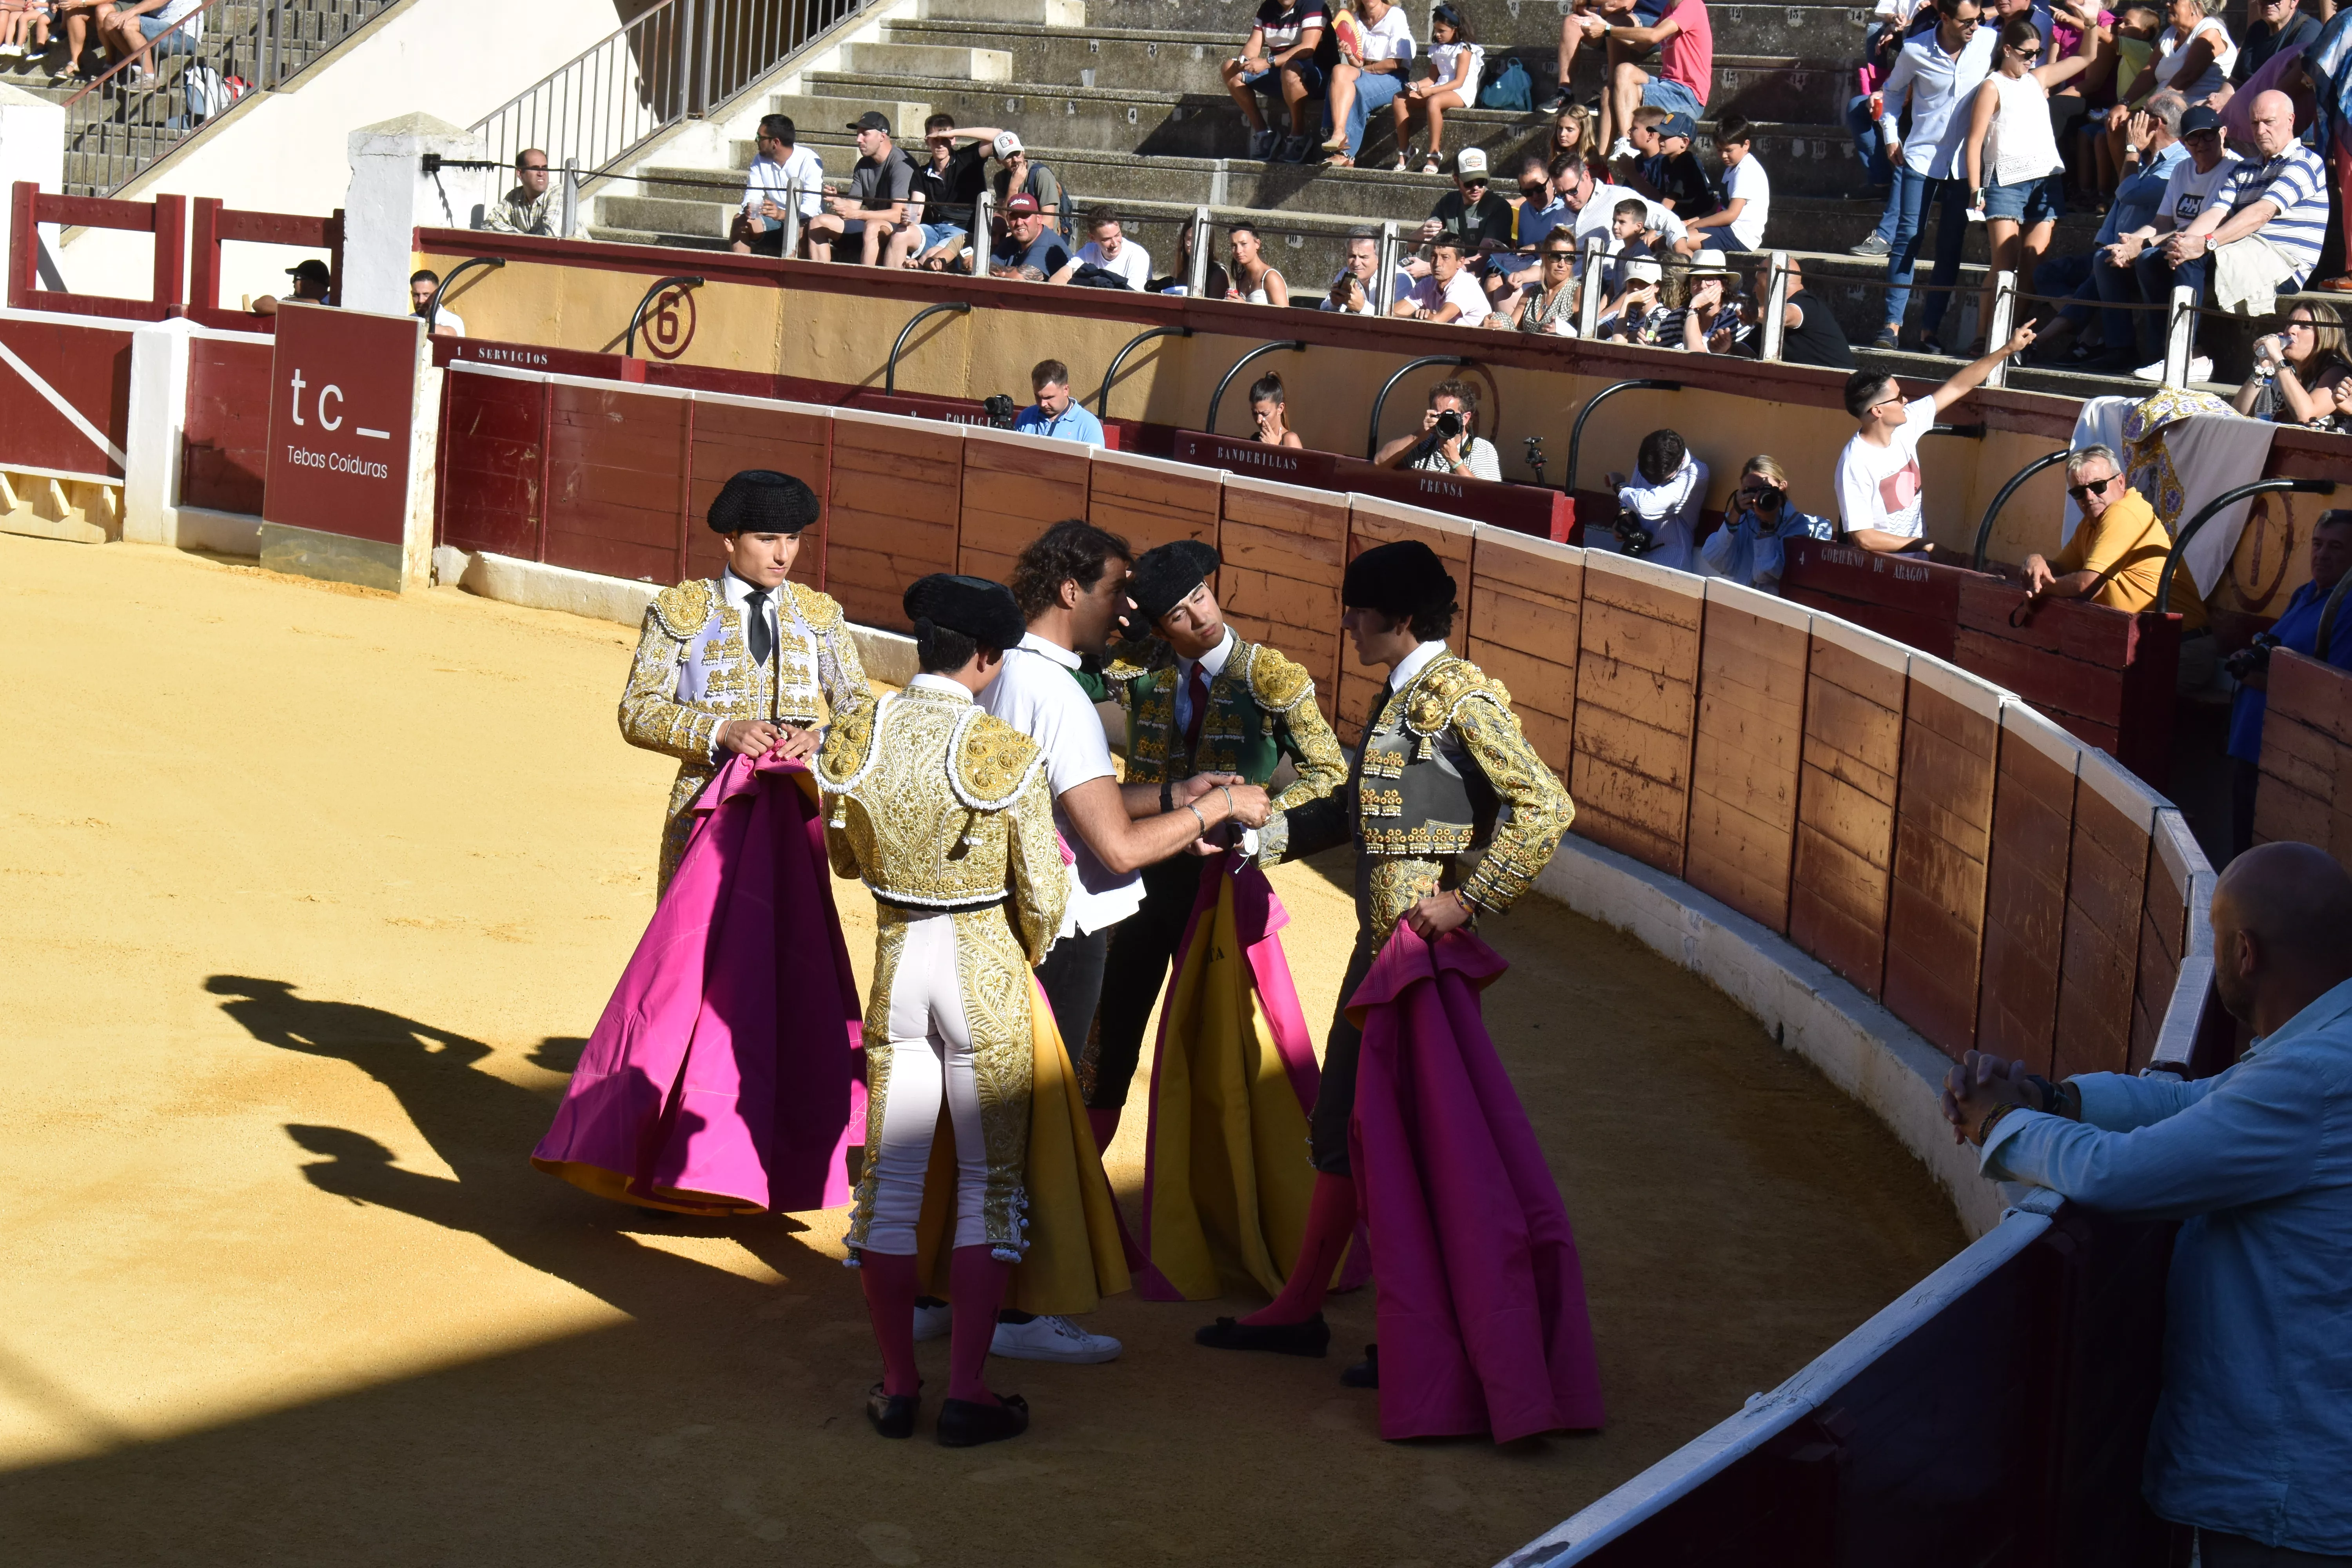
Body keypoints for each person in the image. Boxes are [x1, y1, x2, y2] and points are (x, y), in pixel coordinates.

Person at [1193, 541, 1601, 1443]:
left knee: (1410, 1150)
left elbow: (1545, 806)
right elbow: (1364, 811)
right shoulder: (1408, 698)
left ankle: (1416, 1327)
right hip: (1380, 958)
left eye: (1357, 609)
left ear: (1398, 618)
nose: (1346, 622)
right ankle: (1313, 1307)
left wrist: (1465, 901)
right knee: (1351, 1127)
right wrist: (1263, 844)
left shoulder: (1456, 697)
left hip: (1418, 967)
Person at [1939, 839, 2352, 1561]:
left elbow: (2119, 1176)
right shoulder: (2326, 1050)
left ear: (2244, 954)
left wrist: (1998, 1122)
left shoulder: (2314, 1076)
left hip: (2292, 1493)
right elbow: (2197, 1101)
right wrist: (2054, 1098)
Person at [820, 575, 1066, 1448]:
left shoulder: (855, 735)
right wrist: (1024, 955)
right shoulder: (1003, 749)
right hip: (982, 973)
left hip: (896, 964)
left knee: (890, 1186)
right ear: (989, 657)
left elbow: (847, 857)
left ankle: (896, 1385)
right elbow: (1043, 890)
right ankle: (968, 1391)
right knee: (986, 1187)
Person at [1085, 542, 1346, 1149]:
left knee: (1221, 1049)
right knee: (1105, 1041)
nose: (1200, 617)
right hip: (1138, 878)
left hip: (1225, 884)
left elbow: (1331, 776)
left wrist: (1256, 830)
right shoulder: (1136, 664)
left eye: (1200, 597)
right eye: (1178, 613)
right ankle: (1080, 1194)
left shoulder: (1271, 678)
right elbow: (1052, 665)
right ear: (1157, 626)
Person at [614, 469, 871, 892]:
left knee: (786, 945)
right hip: (704, 807)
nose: (783, 555)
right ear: (731, 539)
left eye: (793, 538)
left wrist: (819, 740)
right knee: (698, 942)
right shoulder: (682, 611)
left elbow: (861, 710)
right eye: (767, 539)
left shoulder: (819, 616)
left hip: (792, 810)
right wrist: (722, 731)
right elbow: (637, 710)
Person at [2134, 88, 2330, 381]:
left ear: (2291, 120)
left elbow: (2261, 213)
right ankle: (2163, 356)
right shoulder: (2247, 168)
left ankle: (2186, 357)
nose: (2261, 130)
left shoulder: (2304, 162)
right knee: (2153, 260)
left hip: (2282, 261)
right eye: (2254, 124)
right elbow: (2216, 213)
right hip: (2244, 250)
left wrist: (2205, 244)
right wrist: (2182, 243)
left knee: (2193, 259)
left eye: (2269, 122)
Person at [1869, 0, 1998, 352]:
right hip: (1922, 155)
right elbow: (1893, 92)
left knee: (1950, 246)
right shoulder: (1915, 49)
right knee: (1908, 236)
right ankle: (1891, 326)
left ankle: (1930, 332)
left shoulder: (1988, 42)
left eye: (1979, 19)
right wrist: (1891, 136)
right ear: (1945, 18)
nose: (1975, 27)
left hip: (1965, 163)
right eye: (1968, 21)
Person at [1835, 326, 2036, 551]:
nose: (1905, 401)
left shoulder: (1906, 423)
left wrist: (2007, 350)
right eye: (1898, 397)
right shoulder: (1855, 463)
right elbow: (1865, 539)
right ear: (1877, 411)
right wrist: (1925, 546)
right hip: (1881, 576)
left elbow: (1959, 386)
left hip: (1918, 568)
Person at [2223, 510, 2352, 855]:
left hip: (2287, 755)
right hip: (2253, 742)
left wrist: (2253, 677)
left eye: (2337, 547)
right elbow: (2273, 648)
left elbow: (2329, 687)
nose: (2322, 555)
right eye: (2318, 544)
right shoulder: (2306, 593)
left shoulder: (2348, 607)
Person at [1961, 19, 2091, 351]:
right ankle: (1982, 336)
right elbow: (1974, 141)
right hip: (2005, 181)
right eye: (2027, 53)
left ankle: (2009, 338)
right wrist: (1976, 190)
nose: (2033, 59)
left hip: (2045, 180)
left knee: (2033, 266)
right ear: (2007, 50)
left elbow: (2087, 57)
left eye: (2038, 53)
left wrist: (2090, 22)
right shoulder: (1992, 86)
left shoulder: (2038, 79)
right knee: (2005, 262)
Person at [2031, 91, 2187, 367]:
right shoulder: (2148, 159)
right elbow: (2120, 206)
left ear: (2156, 123)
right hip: (2112, 249)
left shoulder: (2178, 164)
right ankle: (2091, 333)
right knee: (2047, 273)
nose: (2131, 118)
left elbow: (2129, 193)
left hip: (2144, 256)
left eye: (2141, 113)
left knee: (2103, 262)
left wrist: (2130, 150)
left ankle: (2059, 341)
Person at [2095, 101, 2236, 370]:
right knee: (2107, 257)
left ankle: (2168, 351)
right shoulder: (2183, 169)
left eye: (2209, 134)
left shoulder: (2232, 168)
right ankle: (2120, 349)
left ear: (2223, 133)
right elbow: (2162, 221)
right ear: (2184, 143)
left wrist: (2144, 245)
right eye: (2193, 138)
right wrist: (2130, 243)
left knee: (2150, 259)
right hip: (2171, 241)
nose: (2202, 143)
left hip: (2209, 246)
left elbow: (2205, 225)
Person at [2018, 444, 2208, 625]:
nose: (2090, 497)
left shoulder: (2123, 512)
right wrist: (2036, 561)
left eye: (2098, 486)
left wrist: (2042, 590)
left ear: (2120, 482)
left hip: (2180, 645)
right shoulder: (2090, 525)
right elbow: (2060, 569)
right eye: (2079, 492)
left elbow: (2088, 585)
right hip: (2143, 641)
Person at [1579, 0, 1711, 163]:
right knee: (1618, 78)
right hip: (1667, 85)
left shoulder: (1692, 4)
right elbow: (1642, 46)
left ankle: (1628, 140)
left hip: (1687, 96)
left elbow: (1654, 35)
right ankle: (1601, 164)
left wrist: (1607, 29)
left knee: (1623, 79)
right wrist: (1605, 27)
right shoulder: (1670, 9)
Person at [1697, 453, 1839, 590]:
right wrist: (1735, 513)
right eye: (1751, 490)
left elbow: (1765, 574)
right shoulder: (1742, 520)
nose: (1757, 496)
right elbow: (1713, 558)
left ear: (1782, 487)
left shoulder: (1802, 526)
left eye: (1764, 489)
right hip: (1741, 605)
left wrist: (1767, 525)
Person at [1222, 0, 1331, 165]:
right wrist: (1244, 60)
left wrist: (1267, 62)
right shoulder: (1268, 8)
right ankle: (1264, 134)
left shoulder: (1313, 5)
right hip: (1281, 75)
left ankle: (1298, 137)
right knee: (1229, 68)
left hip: (1317, 77)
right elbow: (1254, 44)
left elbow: (1308, 47)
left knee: (1290, 70)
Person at [808, 112, 914, 267]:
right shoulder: (863, 164)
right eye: (858, 135)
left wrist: (858, 214)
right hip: (869, 225)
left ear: (882, 136)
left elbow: (898, 214)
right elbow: (853, 206)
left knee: (872, 226)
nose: (859, 140)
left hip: (899, 230)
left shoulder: (901, 164)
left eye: (865, 134)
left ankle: (865, 285)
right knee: (818, 222)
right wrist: (837, 200)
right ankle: (820, 281)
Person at [1318, 0, 1416, 167]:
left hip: (1393, 76)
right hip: (1366, 70)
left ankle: (1345, 154)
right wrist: (1350, 54)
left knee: (1356, 88)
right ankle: (1339, 133)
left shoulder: (1395, 15)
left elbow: (1395, 63)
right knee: (1339, 71)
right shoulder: (1356, 18)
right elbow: (1358, 62)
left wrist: (1365, 69)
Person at [1394, 2, 1483, 172]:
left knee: (1434, 101)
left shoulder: (1465, 49)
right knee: (1399, 99)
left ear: (1455, 29)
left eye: (1442, 31)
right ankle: (1405, 150)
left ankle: (1434, 154)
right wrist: (1417, 85)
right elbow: (1433, 78)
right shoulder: (1437, 49)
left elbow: (1459, 82)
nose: (1437, 34)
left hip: (1460, 92)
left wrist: (1431, 90)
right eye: (1436, 30)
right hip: (1440, 88)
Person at [1605, 427, 1708, 570]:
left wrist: (1618, 485)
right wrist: (1623, 516)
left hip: (1670, 564)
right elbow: (1632, 497)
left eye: (1660, 480)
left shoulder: (1696, 474)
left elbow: (1646, 504)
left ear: (1680, 462)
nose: (1655, 483)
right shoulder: (1651, 458)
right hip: (1635, 556)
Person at [2234, 301, 2352, 423]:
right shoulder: (2285, 370)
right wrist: (2262, 369)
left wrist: (2279, 360)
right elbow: (2238, 415)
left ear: (2324, 336)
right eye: (2289, 324)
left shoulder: (2338, 373)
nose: (2291, 330)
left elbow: (2307, 416)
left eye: (2304, 326)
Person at [733, 115, 826, 257]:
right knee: (740, 221)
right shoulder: (760, 159)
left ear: (775, 142)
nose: (756, 141)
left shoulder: (809, 160)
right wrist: (749, 208)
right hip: (773, 220)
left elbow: (812, 207)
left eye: (760, 138)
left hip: (802, 222)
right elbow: (753, 192)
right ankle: (740, 275)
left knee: (802, 226)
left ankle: (796, 276)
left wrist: (783, 214)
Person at [1674, 114, 1769, 252]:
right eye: (1720, 150)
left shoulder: (1747, 170)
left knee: (1679, 241)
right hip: (1727, 230)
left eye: (1729, 150)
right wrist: (1688, 223)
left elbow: (1731, 215)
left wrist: (1694, 225)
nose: (1724, 156)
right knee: (1673, 237)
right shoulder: (1732, 167)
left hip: (1740, 236)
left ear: (1746, 145)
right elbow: (1717, 210)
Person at [1376, 377, 1501, 478]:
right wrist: (1417, 436)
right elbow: (1379, 463)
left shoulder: (1481, 449)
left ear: (1465, 418)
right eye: (1438, 415)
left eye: (1449, 415)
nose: (1443, 421)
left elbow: (1487, 497)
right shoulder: (1423, 445)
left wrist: (1455, 461)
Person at [1757, 255, 1856, 367]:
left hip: (1837, 381)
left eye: (1758, 283)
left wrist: (1755, 313)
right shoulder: (1764, 321)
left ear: (1773, 282)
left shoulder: (1807, 304)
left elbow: (1783, 316)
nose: (1754, 290)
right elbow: (1744, 351)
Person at [1629, 108, 1720, 220]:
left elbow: (1669, 201)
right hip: (1681, 217)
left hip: (1698, 218)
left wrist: (1653, 230)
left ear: (1684, 142)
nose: (1660, 140)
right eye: (1660, 135)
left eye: (1666, 137)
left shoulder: (1686, 161)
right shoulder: (1666, 161)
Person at [1495, 230, 1583, 334]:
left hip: (1562, 349)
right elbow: (1509, 329)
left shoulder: (1577, 292)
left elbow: (1587, 336)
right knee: (1499, 319)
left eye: (1569, 259)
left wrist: (1564, 331)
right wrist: (1492, 325)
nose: (1562, 264)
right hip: (1526, 349)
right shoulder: (1531, 294)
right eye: (1556, 257)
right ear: (1544, 258)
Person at [1393, 235, 1493, 325]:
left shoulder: (1465, 284)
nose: (1437, 263)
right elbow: (1390, 314)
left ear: (1460, 263)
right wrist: (1417, 317)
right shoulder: (1427, 284)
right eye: (1434, 256)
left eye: (1445, 258)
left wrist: (1417, 317)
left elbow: (1437, 321)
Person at [1013, 359, 1107, 448]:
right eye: (1038, 397)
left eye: (1049, 398)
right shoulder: (1026, 416)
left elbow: (1096, 465)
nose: (1043, 404)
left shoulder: (1088, 425)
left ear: (1066, 390)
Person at [97, 0, 196, 83]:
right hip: (159, 29)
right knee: (111, 21)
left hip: (183, 34)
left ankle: (149, 77)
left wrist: (131, 12)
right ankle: (137, 68)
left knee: (129, 24)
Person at [1322, 228, 1413, 312]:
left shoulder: (1398, 279)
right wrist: (1334, 303)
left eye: (1364, 257)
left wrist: (1362, 307)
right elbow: (1323, 310)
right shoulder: (1346, 273)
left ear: (1380, 258)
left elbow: (1394, 321)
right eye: (1352, 256)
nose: (1356, 263)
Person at [1061, 207, 1154, 289]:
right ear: (1092, 238)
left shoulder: (1138, 256)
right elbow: (1059, 278)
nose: (1114, 244)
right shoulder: (1089, 250)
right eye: (1107, 240)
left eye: (1117, 235)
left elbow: (1135, 298)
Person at [988, 194, 1073, 279]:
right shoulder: (1012, 241)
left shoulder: (1047, 244)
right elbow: (985, 266)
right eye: (1014, 217)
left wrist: (1000, 272)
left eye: (1025, 216)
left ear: (1039, 218)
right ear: (1008, 219)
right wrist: (1008, 273)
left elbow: (1020, 279)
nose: (1019, 223)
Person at [482, 148, 559, 238]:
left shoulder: (557, 194)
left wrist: (521, 239)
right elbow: (489, 224)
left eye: (545, 168)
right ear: (520, 173)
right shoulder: (515, 196)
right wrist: (522, 236)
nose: (542, 173)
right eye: (535, 168)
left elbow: (550, 237)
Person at [1149, 221, 1235, 298]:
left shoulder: (1218, 274)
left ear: (1209, 242)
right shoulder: (1181, 268)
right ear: (1184, 240)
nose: (1195, 245)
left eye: (1200, 240)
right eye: (1190, 240)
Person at [1227, 222, 1290, 304]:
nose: (1238, 251)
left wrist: (1246, 308)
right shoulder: (1241, 278)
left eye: (1244, 244)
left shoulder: (1271, 278)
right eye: (1234, 245)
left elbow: (1285, 316)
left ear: (1257, 244)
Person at [250, 257, 332, 317]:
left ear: (309, 283)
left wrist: (289, 302)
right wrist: (289, 302)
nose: (293, 282)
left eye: (296, 278)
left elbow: (317, 305)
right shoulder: (296, 300)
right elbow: (258, 304)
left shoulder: (335, 303)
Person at [1248, 374, 1307, 446]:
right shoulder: (1256, 439)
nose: (1259, 420)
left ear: (1280, 409)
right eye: (1255, 413)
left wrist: (1274, 448)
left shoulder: (1290, 439)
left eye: (1265, 414)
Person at [408, 270, 464, 338]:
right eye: (416, 295)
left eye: (426, 294)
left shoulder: (453, 320)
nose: (421, 300)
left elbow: (447, 334)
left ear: (438, 294)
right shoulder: (411, 319)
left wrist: (408, 327)